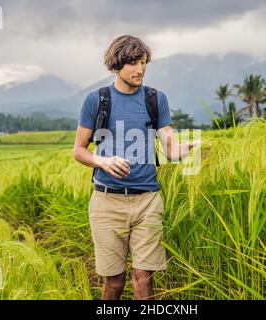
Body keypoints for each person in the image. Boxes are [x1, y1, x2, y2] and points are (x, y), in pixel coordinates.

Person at [73, 34, 197, 300]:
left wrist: (187, 151)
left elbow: (170, 149)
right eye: (132, 63)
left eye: (143, 62)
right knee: (114, 284)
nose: (140, 69)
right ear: (117, 65)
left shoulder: (155, 99)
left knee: (144, 281)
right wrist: (103, 161)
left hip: (148, 201)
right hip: (107, 203)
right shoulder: (97, 101)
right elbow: (79, 151)